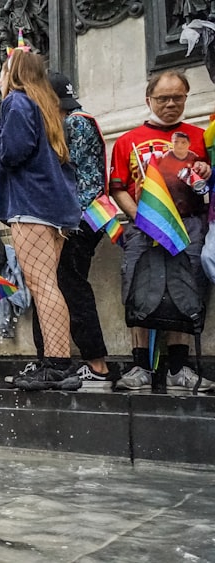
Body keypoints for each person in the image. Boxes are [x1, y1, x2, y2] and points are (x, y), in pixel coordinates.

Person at [0, 49, 82, 390]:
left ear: (14, 72)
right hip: (54, 207)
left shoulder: (16, 102)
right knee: (49, 283)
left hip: (30, 203)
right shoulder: (46, 106)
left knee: (42, 285)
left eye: (3, 70)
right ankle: (58, 363)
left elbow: (13, 153)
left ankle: (57, 365)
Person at [109, 70, 212, 391]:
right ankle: (140, 366)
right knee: (139, 291)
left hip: (190, 226)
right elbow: (117, 187)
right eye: (163, 98)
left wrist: (206, 171)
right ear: (148, 100)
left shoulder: (200, 137)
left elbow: (208, 181)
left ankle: (179, 368)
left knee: (187, 291)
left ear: (186, 98)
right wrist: (141, 218)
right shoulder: (128, 140)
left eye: (177, 97)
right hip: (144, 228)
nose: (171, 104)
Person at [21, 71, 111, 385]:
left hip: (78, 218)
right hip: (76, 217)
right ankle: (47, 360)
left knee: (66, 285)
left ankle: (95, 363)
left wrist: (64, 223)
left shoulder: (73, 123)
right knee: (52, 285)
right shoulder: (76, 120)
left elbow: (74, 180)